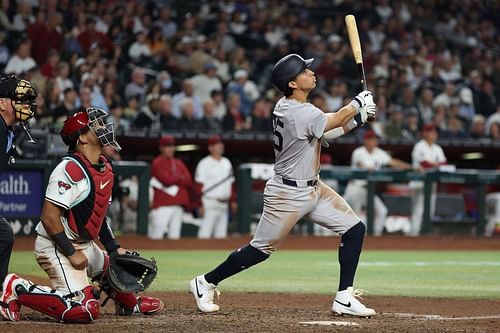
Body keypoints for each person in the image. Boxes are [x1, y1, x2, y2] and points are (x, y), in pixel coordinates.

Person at [189, 54, 377, 317]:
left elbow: (324, 131)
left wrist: (357, 119)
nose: (311, 72)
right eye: (304, 71)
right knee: (260, 250)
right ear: (292, 83)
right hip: (287, 194)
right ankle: (205, 282)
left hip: (313, 188)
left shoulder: (290, 107)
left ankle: (344, 297)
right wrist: (357, 103)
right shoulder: (299, 111)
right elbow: (329, 121)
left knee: (354, 228)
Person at [0, 107, 164, 323]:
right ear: (83, 139)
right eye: (95, 126)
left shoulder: (104, 166)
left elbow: (99, 215)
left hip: (84, 244)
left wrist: (113, 248)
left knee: (111, 266)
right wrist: (70, 252)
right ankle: (16, 288)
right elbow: (49, 217)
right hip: (57, 246)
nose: (103, 128)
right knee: (83, 310)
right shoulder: (69, 169)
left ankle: (127, 302)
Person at [0, 75, 38, 319]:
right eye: (19, 100)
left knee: (4, 234)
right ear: (2, 103)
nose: (26, 105)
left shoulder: (7, 130)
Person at [344, 130, 412, 236]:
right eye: (371, 139)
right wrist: (369, 168)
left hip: (368, 190)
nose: (374, 141)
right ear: (366, 140)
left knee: (382, 211)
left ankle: (375, 237)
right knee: (355, 216)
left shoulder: (379, 152)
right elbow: (361, 164)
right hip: (355, 189)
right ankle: (353, 239)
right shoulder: (359, 152)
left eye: (375, 139)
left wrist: (410, 167)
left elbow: (393, 162)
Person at [149, 135, 193, 240]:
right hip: (162, 206)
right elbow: (167, 180)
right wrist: (179, 178)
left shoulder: (178, 162)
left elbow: (188, 180)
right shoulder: (157, 162)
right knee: (157, 236)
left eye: (172, 146)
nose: (170, 149)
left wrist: (175, 178)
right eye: (167, 146)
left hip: (178, 205)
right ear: (161, 148)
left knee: (175, 237)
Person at [409, 124, 447, 236]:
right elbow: (424, 164)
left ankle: (426, 235)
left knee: (430, 210)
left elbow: (444, 163)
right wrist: (436, 165)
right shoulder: (419, 146)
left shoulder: (437, 148)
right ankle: (414, 234)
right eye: (431, 132)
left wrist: (434, 164)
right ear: (424, 133)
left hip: (432, 184)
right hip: (419, 182)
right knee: (418, 210)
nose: (434, 134)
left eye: (434, 132)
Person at [195, 135, 234, 239]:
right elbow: (199, 186)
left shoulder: (227, 162)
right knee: (204, 234)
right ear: (210, 148)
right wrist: (200, 204)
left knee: (221, 236)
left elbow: (230, 184)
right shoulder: (204, 163)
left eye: (220, 144)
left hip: (224, 204)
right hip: (209, 203)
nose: (220, 146)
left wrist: (232, 201)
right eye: (217, 144)